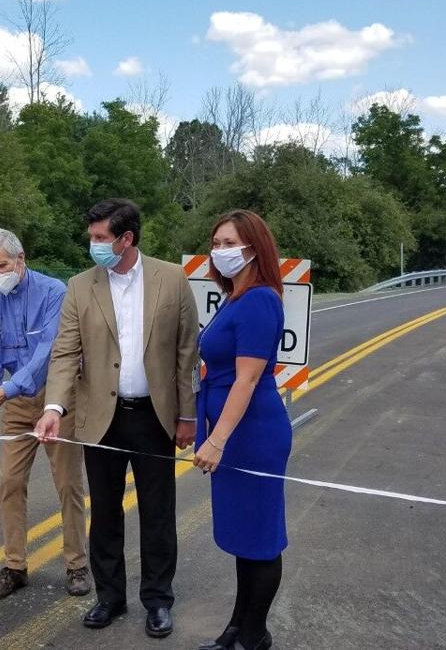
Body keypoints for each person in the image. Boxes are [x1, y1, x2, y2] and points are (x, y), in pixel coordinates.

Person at [36, 199, 199, 639]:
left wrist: (188, 415)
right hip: (101, 418)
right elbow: (66, 352)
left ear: (126, 239)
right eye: (92, 237)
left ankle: (158, 600)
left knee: (158, 513)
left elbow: (187, 352)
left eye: (100, 238)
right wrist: (54, 408)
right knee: (105, 513)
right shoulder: (80, 286)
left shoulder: (172, 279)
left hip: (154, 417)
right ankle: (109, 596)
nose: (93, 246)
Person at [0, 229, 90, 601]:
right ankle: (15, 566)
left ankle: (77, 564)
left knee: (68, 483)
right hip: (18, 404)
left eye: (1, 265)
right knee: (9, 482)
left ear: (20, 259)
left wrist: (4, 390)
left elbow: (49, 353)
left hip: (58, 398)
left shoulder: (55, 292)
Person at [192, 209, 291, 650]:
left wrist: (217, 438)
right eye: (216, 244)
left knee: (261, 538)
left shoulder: (260, 300)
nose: (220, 251)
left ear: (254, 247)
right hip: (233, 431)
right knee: (243, 538)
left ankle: (255, 636)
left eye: (230, 243)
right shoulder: (235, 297)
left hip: (252, 433)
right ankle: (237, 626)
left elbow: (247, 379)